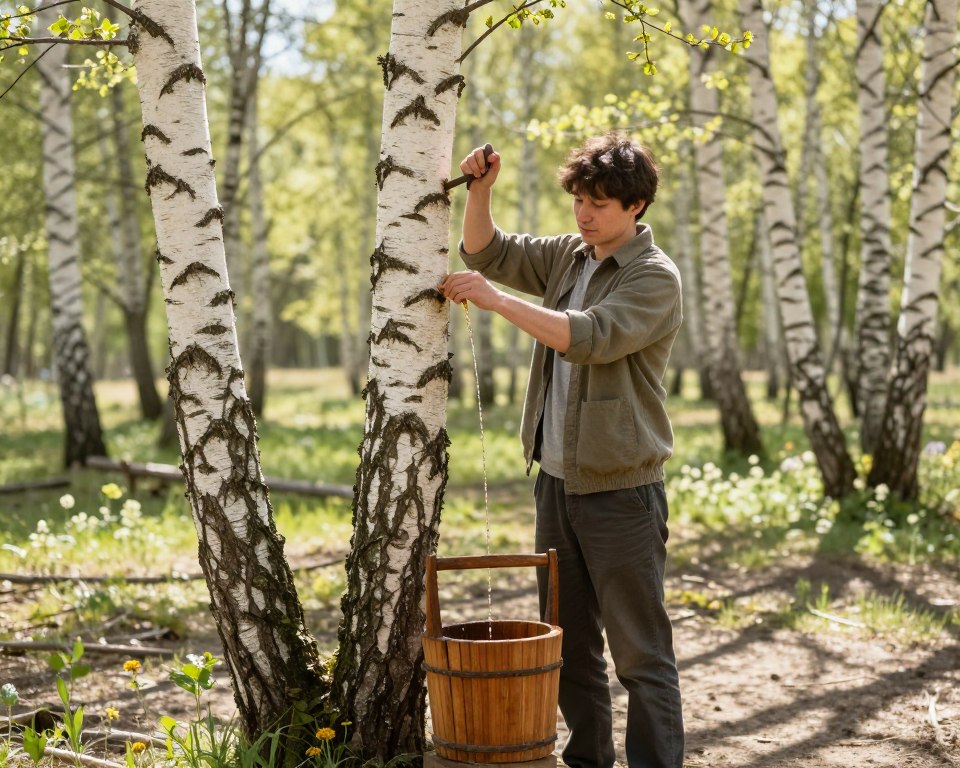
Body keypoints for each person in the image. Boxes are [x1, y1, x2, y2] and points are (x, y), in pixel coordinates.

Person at [439, 132, 684, 768]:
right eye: (578, 199)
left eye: (599, 204)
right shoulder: (569, 257)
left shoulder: (654, 277)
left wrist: (495, 302)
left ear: (635, 207)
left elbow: (591, 337)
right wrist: (481, 192)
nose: (583, 214)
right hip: (555, 482)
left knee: (640, 654)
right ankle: (589, 763)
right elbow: (486, 250)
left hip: (622, 489)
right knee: (570, 646)